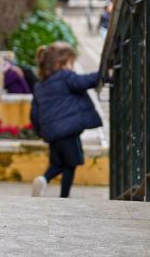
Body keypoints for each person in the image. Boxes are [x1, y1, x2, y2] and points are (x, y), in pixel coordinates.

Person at [29, 42, 102, 198]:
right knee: (70, 164)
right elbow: (84, 81)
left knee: (57, 164)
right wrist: (104, 74)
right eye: (71, 63)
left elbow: (34, 113)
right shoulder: (66, 77)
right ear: (59, 63)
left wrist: (40, 131)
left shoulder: (41, 85)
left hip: (52, 133)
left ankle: (43, 179)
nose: (72, 67)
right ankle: (63, 195)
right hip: (69, 131)